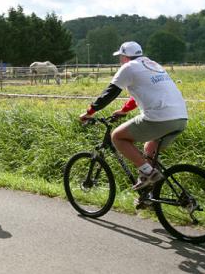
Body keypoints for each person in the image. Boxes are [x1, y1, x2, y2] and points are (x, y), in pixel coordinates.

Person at [79, 41, 188, 194]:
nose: (120, 60)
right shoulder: (152, 64)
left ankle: (149, 174)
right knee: (149, 150)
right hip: (181, 118)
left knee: (117, 137)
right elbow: (144, 92)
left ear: (124, 57)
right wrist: (124, 110)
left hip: (159, 118)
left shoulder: (128, 67)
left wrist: (90, 112)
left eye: (120, 57)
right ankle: (149, 197)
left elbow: (110, 93)